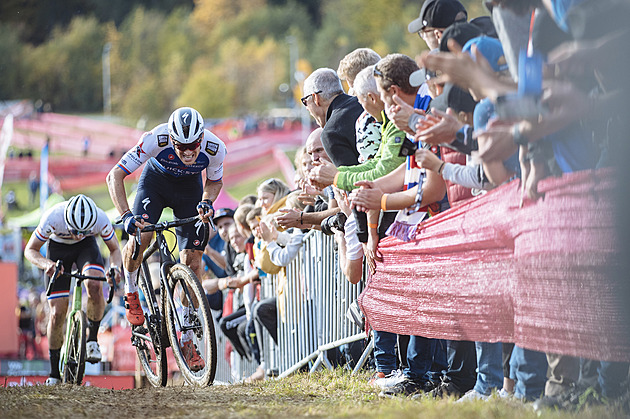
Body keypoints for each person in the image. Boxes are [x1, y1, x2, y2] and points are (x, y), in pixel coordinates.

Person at [106, 107, 226, 371]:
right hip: (155, 184)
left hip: (189, 191)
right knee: (142, 234)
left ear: (202, 138)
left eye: (193, 145)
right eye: (180, 146)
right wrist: (126, 215)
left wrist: (206, 201)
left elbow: (215, 181)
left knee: (193, 263)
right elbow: (115, 175)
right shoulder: (154, 139)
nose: (187, 152)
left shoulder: (216, 148)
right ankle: (130, 290)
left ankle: (188, 337)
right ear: (170, 139)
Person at [24, 194, 122, 385]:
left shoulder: (101, 219)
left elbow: (115, 250)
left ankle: (92, 340)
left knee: (94, 284)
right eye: (75, 230)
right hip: (58, 249)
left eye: (83, 231)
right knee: (57, 313)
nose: (78, 235)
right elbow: (30, 250)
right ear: (67, 220)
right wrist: (47, 264)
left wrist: (115, 269)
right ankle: (54, 373)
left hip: (87, 248)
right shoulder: (53, 218)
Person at [301, 68, 364, 168]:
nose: (307, 109)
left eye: (305, 102)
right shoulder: (365, 104)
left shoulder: (332, 132)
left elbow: (349, 180)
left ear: (316, 98)